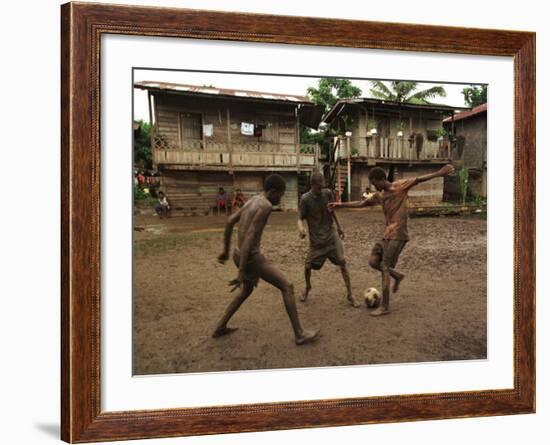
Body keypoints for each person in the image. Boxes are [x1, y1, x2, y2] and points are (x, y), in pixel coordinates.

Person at [329, 164, 455, 316]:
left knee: (385, 267)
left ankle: (385, 306)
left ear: (381, 179)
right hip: (387, 234)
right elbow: (361, 203)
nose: (374, 186)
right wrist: (339, 205)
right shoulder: (379, 195)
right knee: (373, 262)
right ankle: (398, 276)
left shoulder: (400, 186)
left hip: (398, 234)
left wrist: (440, 173)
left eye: (375, 183)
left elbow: (419, 179)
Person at [214, 174, 320, 345]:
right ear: (273, 192)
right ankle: (299, 334)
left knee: (245, 292)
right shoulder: (265, 206)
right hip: (250, 258)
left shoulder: (253, 200)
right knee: (287, 287)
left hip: (238, 253)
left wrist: (226, 252)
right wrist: (241, 271)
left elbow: (230, 221)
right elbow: (249, 237)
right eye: (281, 194)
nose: (281, 198)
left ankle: (220, 327)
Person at [298, 172, 360, 308]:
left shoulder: (327, 194)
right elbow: (300, 217)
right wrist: (301, 229)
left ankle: (350, 295)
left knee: (343, 263)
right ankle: (308, 287)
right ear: (312, 185)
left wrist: (339, 227)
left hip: (331, 237)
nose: (321, 190)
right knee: (308, 266)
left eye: (323, 186)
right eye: (319, 187)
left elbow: (332, 211)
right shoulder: (305, 199)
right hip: (317, 242)